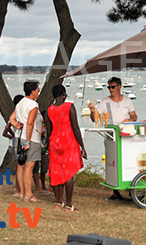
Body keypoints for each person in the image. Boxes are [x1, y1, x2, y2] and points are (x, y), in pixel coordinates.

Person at [91, 77, 137, 201]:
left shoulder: (127, 101)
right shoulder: (105, 101)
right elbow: (95, 118)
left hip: (125, 135)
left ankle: (129, 185)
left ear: (119, 87)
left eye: (113, 87)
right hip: (111, 136)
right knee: (112, 162)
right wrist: (92, 112)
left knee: (127, 160)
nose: (110, 90)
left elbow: (134, 116)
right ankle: (115, 190)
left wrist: (129, 120)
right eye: (109, 87)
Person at [45, 84, 87, 212]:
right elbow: (75, 128)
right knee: (68, 174)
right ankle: (68, 204)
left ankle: (58, 201)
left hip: (54, 142)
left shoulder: (49, 110)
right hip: (68, 142)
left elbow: (49, 131)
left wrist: (48, 147)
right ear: (64, 94)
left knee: (56, 172)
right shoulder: (69, 107)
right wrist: (82, 146)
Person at [9, 80, 43, 202]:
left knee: (21, 166)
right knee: (29, 166)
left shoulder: (20, 103)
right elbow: (30, 123)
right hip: (30, 137)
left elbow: (11, 118)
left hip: (19, 136)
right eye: (38, 90)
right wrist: (28, 141)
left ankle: (22, 192)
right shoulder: (33, 105)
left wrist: (16, 125)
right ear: (32, 91)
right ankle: (28, 193)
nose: (39, 92)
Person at [3, 95, 24, 197]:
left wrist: (12, 134)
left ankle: (19, 188)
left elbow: (6, 129)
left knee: (19, 166)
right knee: (19, 166)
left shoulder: (15, 114)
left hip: (13, 143)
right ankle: (18, 189)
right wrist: (13, 135)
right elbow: (7, 128)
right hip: (15, 144)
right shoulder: (16, 116)